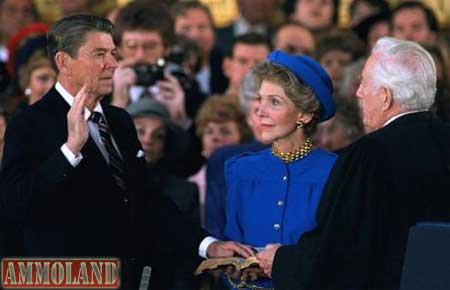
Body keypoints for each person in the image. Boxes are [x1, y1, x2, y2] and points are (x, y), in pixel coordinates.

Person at [0, 14, 209, 289]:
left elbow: (145, 199)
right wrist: (69, 150)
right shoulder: (27, 124)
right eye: (99, 54)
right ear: (64, 62)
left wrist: (208, 244)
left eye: (112, 53)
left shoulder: (120, 120)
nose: (113, 63)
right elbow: (16, 204)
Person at [257, 37, 450, 290]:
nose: (357, 93)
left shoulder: (368, 155)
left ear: (385, 97)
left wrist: (282, 260)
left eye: (364, 84)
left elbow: (338, 256)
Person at [203, 50, 338, 290]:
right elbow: (232, 250)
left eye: (274, 102)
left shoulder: (335, 171)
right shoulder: (239, 169)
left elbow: (336, 256)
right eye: (260, 99)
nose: (260, 111)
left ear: (304, 114)